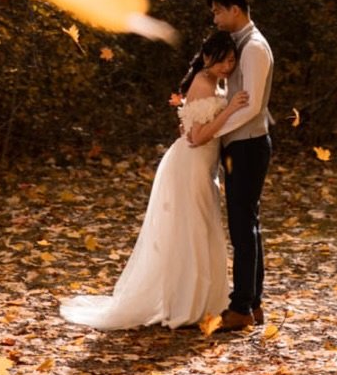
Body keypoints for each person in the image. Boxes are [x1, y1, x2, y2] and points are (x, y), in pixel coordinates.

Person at [58, 31, 249, 331]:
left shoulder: (216, 81)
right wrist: (231, 110)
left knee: (201, 228)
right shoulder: (202, 81)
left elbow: (191, 127)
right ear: (209, 56)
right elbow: (198, 137)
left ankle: (204, 302)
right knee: (192, 230)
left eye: (232, 61)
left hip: (203, 165)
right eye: (223, 60)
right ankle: (186, 306)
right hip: (192, 164)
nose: (228, 66)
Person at [207, 0, 273, 332]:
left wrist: (211, 131)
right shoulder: (241, 44)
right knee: (247, 224)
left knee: (242, 226)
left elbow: (252, 105)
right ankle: (254, 302)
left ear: (235, 9)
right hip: (239, 144)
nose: (215, 19)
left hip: (247, 144)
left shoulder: (254, 49)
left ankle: (242, 306)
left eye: (218, 11)